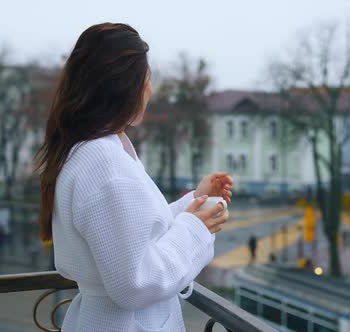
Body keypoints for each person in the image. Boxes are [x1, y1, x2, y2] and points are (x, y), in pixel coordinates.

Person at [35, 23, 233, 332]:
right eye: (148, 78)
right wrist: (196, 229)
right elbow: (135, 283)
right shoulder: (104, 164)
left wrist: (194, 202)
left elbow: (128, 235)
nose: (150, 89)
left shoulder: (89, 151)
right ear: (123, 88)